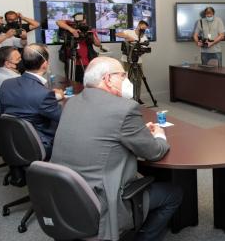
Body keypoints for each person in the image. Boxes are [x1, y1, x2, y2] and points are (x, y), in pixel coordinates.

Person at [50, 57, 182, 241]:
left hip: (66, 193)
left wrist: (138, 131)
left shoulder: (72, 102)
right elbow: (154, 152)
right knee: (174, 194)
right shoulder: (124, 108)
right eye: (122, 75)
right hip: (102, 199)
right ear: (107, 79)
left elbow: (102, 131)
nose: (126, 80)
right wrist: (159, 134)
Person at [0, 44, 63, 158]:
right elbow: (63, 118)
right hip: (39, 144)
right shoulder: (43, 94)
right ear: (44, 64)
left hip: (11, 141)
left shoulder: (6, 84)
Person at [57, 12, 100, 82]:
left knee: (85, 81)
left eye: (83, 19)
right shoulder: (70, 25)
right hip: (71, 60)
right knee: (71, 82)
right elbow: (58, 22)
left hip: (86, 61)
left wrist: (91, 34)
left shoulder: (88, 29)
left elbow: (98, 44)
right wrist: (72, 30)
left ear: (85, 20)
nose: (81, 21)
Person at [0, 46, 22, 111]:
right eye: (18, 59)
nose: (21, 61)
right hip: (9, 116)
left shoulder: (2, 73)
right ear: (7, 64)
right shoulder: (9, 79)